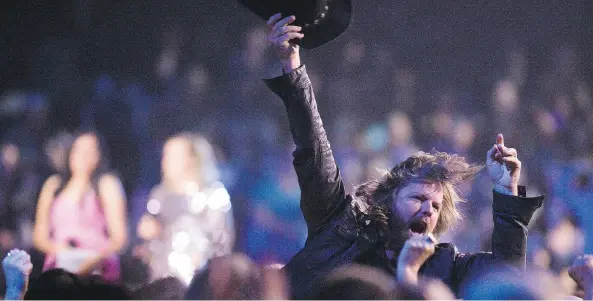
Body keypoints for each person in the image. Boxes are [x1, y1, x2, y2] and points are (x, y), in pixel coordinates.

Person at [262, 13, 545, 298]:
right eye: (418, 198)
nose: (428, 210)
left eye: (435, 207)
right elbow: (314, 151)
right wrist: (292, 65)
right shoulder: (339, 224)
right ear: (389, 198)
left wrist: (506, 191)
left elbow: (505, 274)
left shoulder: (447, 266)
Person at [136, 133, 234, 284]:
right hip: (162, 278)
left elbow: (221, 240)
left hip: (199, 279)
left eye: (172, 155)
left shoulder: (212, 195)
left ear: (191, 159)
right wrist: (149, 233)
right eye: (164, 155)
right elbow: (150, 233)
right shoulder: (160, 194)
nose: (165, 161)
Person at [32, 131, 128, 283]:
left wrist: (93, 260)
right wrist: (61, 251)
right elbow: (39, 235)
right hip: (59, 267)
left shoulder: (107, 184)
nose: (83, 156)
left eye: (90, 151)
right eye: (79, 149)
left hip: (97, 268)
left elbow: (119, 237)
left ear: (99, 156)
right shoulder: (54, 185)